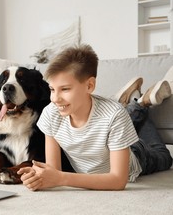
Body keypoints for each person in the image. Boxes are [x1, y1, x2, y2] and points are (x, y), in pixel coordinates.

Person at [18, 44, 173, 191]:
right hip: (111, 134)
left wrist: (62, 179)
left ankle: (142, 104)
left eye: (64, 89)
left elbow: (118, 180)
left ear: (89, 86)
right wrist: (39, 178)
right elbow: (54, 171)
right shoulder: (51, 113)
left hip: (139, 156)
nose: (55, 98)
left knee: (164, 156)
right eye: (52, 89)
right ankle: (135, 102)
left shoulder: (115, 115)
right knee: (118, 118)